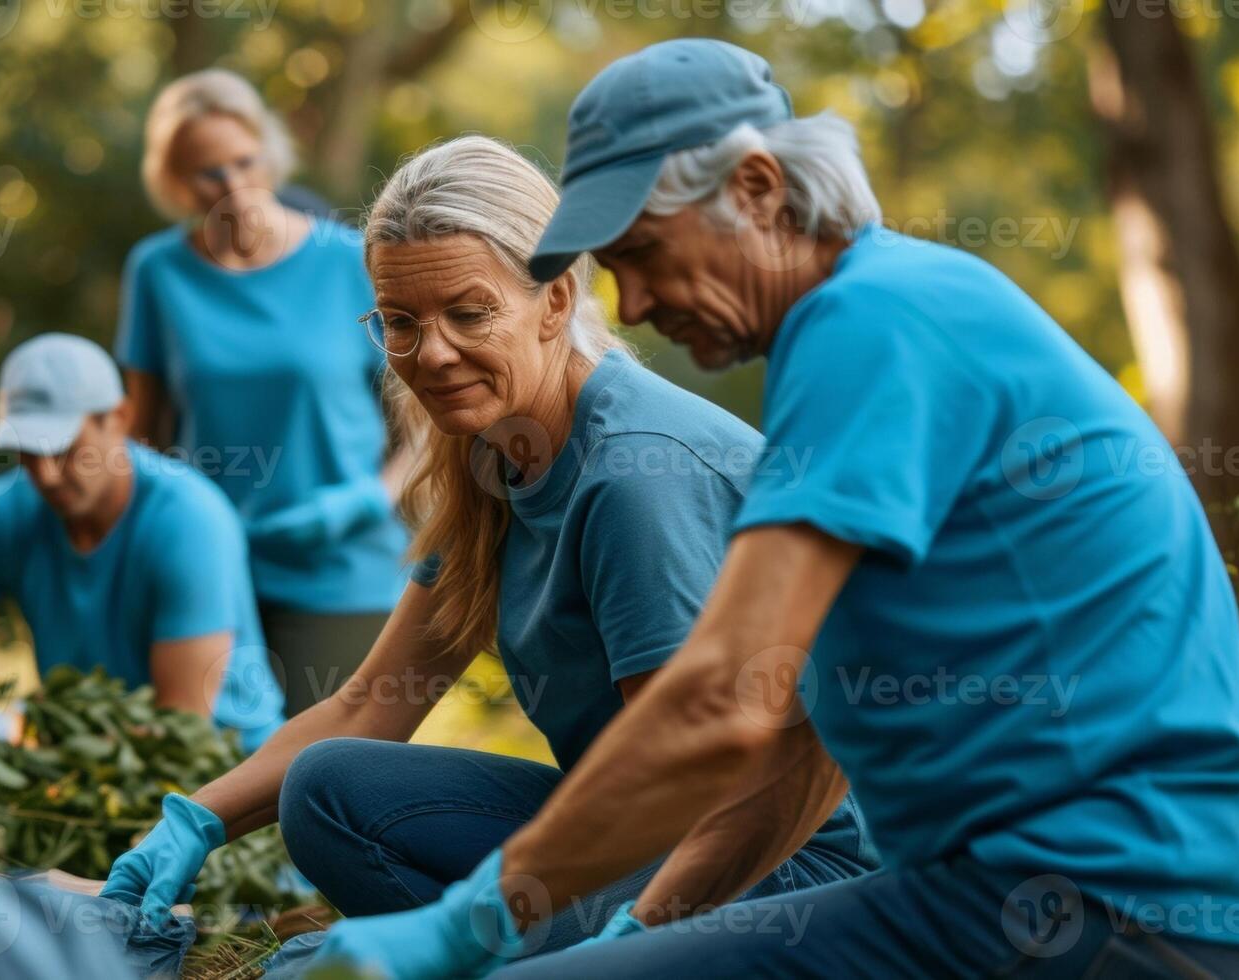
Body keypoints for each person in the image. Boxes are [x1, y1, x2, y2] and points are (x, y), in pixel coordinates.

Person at [306, 40, 1239, 979]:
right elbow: (797, 747)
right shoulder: (869, 320)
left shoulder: (874, 326)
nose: (637, 302)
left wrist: (474, 920)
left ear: (756, 190)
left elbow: (717, 705)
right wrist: (649, 926)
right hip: (1046, 899)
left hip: (1118, 908)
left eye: (643, 253)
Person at [97, 136, 878, 954]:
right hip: (631, 822)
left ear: (553, 300)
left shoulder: (632, 478)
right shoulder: (492, 455)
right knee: (327, 787)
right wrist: (191, 821)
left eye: (468, 314)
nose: (430, 354)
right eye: (399, 322)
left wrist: (466, 937)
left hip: (777, 866)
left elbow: (684, 782)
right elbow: (372, 702)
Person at [117, 68, 411, 717]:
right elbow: (143, 435)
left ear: (269, 152)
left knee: (314, 782)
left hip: (344, 574)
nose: (232, 185)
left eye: (244, 161)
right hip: (210, 570)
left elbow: (428, 430)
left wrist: (357, 505)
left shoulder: (351, 262)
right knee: (208, 776)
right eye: (207, 172)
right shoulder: (158, 273)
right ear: (173, 182)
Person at [0, 333, 284, 753]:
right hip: (82, 756)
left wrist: (21, 739)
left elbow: (179, 726)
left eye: (64, 448)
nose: (45, 475)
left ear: (119, 418)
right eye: (27, 451)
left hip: (227, 769)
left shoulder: (190, 524)